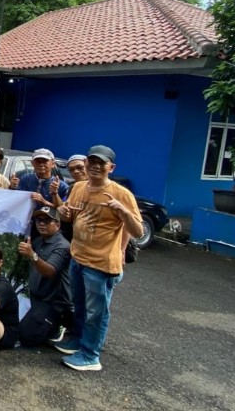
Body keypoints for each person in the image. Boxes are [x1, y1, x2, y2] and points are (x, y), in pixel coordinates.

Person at [55, 145, 143, 372]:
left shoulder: (122, 194)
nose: (95, 166)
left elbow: (138, 231)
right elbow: (71, 216)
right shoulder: (78, 187)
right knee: (80, 306)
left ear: (111, 168)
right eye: (91, 161)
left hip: (101, 263)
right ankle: (78, 340)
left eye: (101, 163)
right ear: (86, 163)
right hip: (78, 257)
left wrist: (123, 212)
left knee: (97, 312)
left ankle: (90, 355)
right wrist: (63, 212)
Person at [17, 207, 72, 347]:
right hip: (36, 298)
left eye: (47, 221)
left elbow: (50, 272)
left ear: (58, 224)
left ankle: (61, 325)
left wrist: (32, 255)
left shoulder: (63, 246)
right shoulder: (37, 241)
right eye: (39, 220)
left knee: (27, 337)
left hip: (54, 302)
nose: (42, 224)